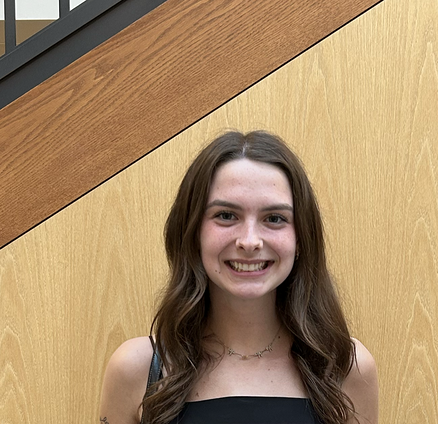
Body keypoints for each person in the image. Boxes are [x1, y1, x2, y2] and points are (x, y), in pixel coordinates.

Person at [99, 130, 378, 424]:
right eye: (226, 215)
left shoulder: (347, 367)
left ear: (301, 239)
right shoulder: (137, 369)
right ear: (192, 232)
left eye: (274, 218)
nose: (249, 241)